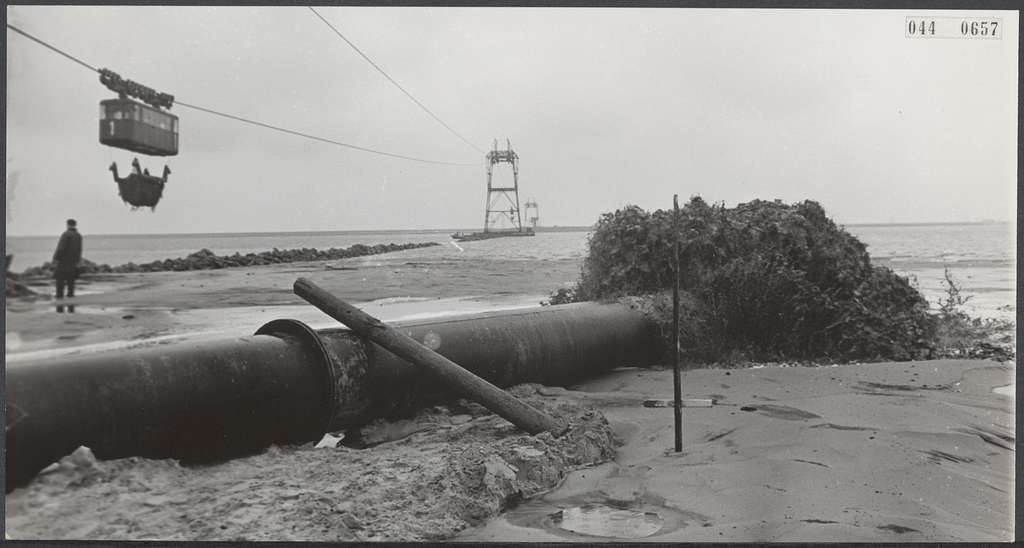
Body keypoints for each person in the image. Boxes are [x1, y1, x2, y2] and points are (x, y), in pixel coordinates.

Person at [53, 218, 83, 312]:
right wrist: (78, 260)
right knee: (71, 279)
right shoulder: (79, 236)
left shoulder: (66, 235)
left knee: (60, 279)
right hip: (73, 260)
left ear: (68, 225)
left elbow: (61, 248)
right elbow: (79, 249)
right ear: (75, 225)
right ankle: (70, 295)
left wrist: (56, 258)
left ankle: (59, 295)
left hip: (64, 260)